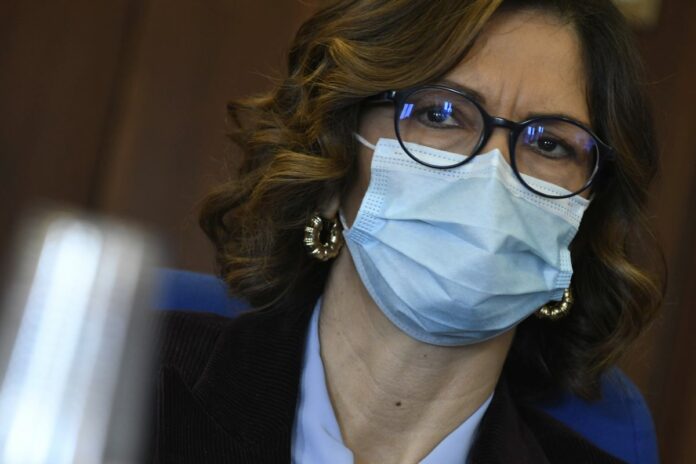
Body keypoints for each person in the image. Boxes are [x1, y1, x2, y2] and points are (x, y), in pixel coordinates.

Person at [152, 0, 664, 462]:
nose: (494, 175)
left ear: (584, 219)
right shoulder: (130, 384)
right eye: (440, 114)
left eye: (549, 145)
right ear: (331, 156)